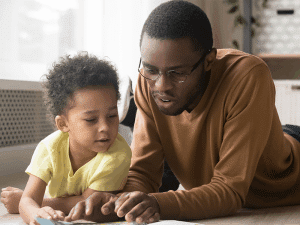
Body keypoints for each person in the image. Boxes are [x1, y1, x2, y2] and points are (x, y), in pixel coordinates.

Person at [60, 1, 300, 224]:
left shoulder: (247, 74)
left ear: (208, 61)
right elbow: (142, 173)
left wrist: (156, 202)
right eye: (151, 69)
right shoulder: (148, 83)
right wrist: (117, 203)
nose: (161, 85)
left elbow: (229, 191)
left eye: (177, 73)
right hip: (225, 151)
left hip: (286, 176)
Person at [0, 53, 131, 224]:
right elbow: (28, 200)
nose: (105, 127)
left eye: (112, 116)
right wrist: (34, 214)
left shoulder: (118, 154)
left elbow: (86, 205)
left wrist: (33, 203)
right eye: (91, 119)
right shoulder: (49, 147)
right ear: (63, 124)